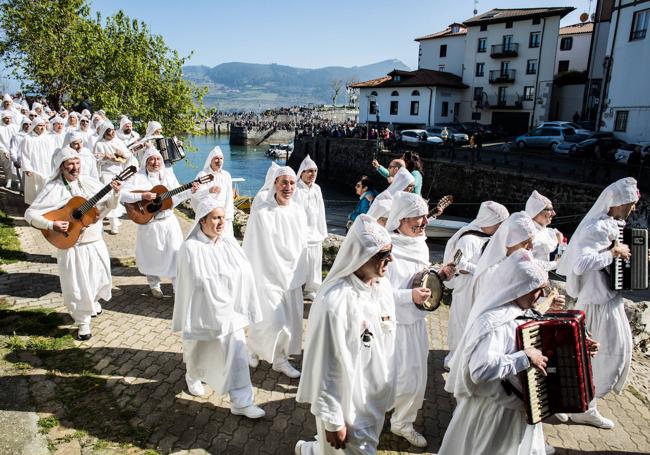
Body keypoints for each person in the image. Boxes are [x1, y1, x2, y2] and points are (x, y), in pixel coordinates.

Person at [440, 249, 568, 455]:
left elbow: (525, 322)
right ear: (519, 288)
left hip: (515, 409)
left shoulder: (516, 311)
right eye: (538, 289)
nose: (542, 295)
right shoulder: (495, 322)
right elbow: (480, 370)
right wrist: (524, 358)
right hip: (495, 414)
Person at [295, 214, 397, 455]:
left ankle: (309, 450)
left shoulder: (381, 286)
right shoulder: (335, 303)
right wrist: (332, 419)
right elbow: (325, 363)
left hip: (373, 399)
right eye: (383, 254)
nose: (390, 259)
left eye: (390, 252)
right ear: (360, 255)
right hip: (347, 403)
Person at [557, 177, 643, 429]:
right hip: (597, 303)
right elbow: (581, 264)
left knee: (601, 356)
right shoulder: (595, 228)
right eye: (632, 203)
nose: (634, 208)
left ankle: (578, 404)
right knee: (603, 357)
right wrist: (613, 253)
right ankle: (583, 407)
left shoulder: (613, 225)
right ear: (620, 202)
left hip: (607, 300)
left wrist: (636, 254)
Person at [172, 198, 265, 419]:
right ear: (202, 220)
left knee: (238, 355)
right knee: (198, 349)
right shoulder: (190, 248)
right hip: (203, 312)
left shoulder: (229, 242)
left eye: (223, 217)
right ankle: (193, 374)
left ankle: (241, 402)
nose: (222, 222)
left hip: (231, 313)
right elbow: (193, 283)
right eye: (216, 218)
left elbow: (245, 271)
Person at [25, 147, 121, 340]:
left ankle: (92, 302)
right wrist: (51, 224)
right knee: (77, 285)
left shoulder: (90, 183)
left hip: (95, 242)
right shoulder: (54, 188)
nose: (75, 167)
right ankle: (83, 322)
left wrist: (116, 194)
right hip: (72, 246)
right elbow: (30, 214)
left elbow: (108, 206)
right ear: (61, 167)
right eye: (70, 164)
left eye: (77, 163)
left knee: (98, 278)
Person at [383, 191, 454, 448]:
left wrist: (440, 276)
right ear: (400, 219)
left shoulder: (420, 243)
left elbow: (421, 278)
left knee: (413, 378)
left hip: (415, 324)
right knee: (383, 376)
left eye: (425, 216)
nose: (424, 222)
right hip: (389, 324)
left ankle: (402, 423)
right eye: (417, 217)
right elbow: (377, 294)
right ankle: (377, 411)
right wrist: (407, 296)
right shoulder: (386, 247)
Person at [244, 166, 307, 379]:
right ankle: (252, 348)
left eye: (291, 183)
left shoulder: (298, 211)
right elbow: (254, 244)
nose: (288, 187)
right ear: (275, 184)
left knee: (289, 322)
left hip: (291, 276)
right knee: (271, 319)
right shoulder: (262, 211)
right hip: (267, 275)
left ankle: (280, 359)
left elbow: (302, 245)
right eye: (283, 182)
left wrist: (302, 273)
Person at [120, 146, 198, 298]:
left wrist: (190, 190)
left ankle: (177, 287)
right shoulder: (138, 177)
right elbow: (123, 195)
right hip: (149, 223)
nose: (155, 162)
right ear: (145, 162)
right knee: (150, 255)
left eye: (158, 159)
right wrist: (142, 196)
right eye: (151, 159)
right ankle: (154, 285)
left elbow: (177, 196)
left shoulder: (168, 175)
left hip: (168, 222)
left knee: (175, 254)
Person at [443, 201, 509, 370]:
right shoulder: (469, 239)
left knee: (472, 324)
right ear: (490, 221)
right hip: (465, 288)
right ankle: (453, 358)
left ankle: (466, 358)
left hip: (479, 288)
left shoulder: (488, 239)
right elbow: (458, 263)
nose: (502, 227)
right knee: (460, 322)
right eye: (500, 223)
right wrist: (482, 270)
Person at [293, 155, 328, 299]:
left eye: (315, 171)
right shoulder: (296, 189)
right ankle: (298, 287)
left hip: (315, 232)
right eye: (309, 171)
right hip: (301, 233)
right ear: (302, 173)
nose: (312, 174)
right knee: (301, 262)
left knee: (315, 262)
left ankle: (312, 288)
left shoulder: (317, 189)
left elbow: (321, 210)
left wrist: (322, 230)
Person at [93, 120, 132, 234]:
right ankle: (111, 224)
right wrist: (107, 158)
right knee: (108, 198)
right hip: (106, 173)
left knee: (116, 198)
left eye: (113, 130)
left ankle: (111, 221)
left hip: (119, 173)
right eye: (109, 131)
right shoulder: (100, 144)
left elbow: (128, 155)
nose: (112, 133)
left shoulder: (118, 142)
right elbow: (96, 158)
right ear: (104, 132)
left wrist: (122, 155)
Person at [190, 146, 235, 238]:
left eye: (221, 158)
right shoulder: (203, 175)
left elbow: (229, 197)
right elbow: (195, 194)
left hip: (224, 216)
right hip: (209, 215)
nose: (219, 161)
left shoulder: (227, 175)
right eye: (216, 158)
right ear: (210, 160)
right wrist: (208, 191)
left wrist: (228, 216)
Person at [525, 191, 563, 271]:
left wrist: (560, 244)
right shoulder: (527, 234)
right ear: (537, 211)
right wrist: (556, 263)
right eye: (550, 209)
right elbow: (526, 264)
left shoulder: (549, 231)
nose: (554, 213)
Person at [20, 117, 52, 204]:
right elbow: (24, 154)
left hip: (46, 167)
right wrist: (27, 168)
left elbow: (51, 153)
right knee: (34, 187)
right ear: (34, 126)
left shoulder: (47, 138)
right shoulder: (28, 139)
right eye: (39, 126)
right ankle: (33, 205)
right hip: (34, 168)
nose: (42, 128)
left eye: (43, 125)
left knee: (45, 186)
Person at [0, 111, 18, 189]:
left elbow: (17, 139)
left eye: (10, 118)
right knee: (6, 166)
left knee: (14, 166)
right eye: (6, 118)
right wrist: (4, 150)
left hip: (13, 149)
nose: (8, 120)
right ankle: (8, 180)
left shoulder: (15, 127)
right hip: (3, 149)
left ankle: (14, 181)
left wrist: (12, 150)